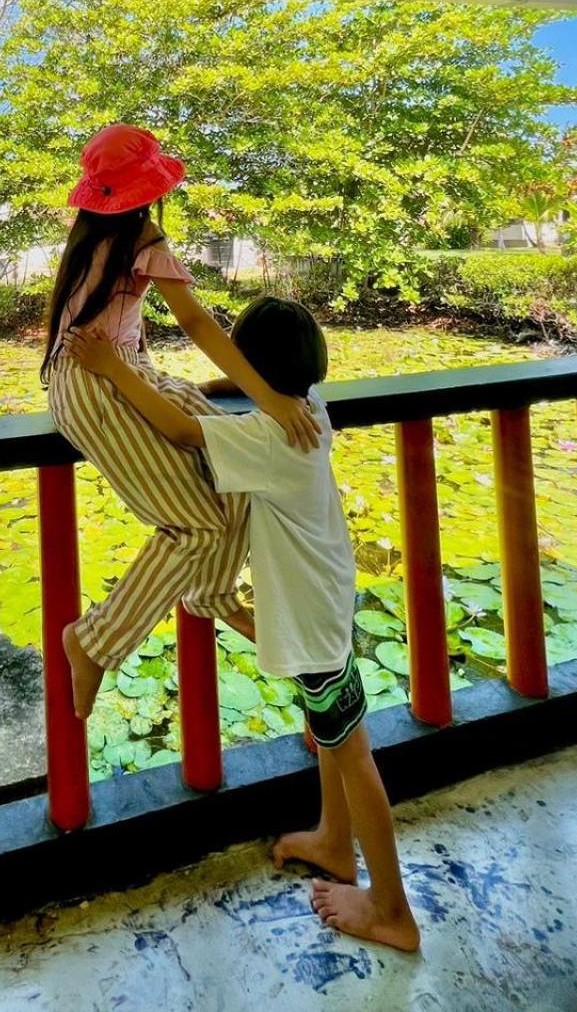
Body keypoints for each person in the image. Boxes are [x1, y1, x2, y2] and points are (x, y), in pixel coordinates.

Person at [71, 297, 420, 954]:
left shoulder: (266, 436)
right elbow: (239, 390)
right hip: (325, 593)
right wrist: (214, 384)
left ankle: (391, 910)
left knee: (352, 752)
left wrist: (113, 369)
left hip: (313, 617)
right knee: (331, 730)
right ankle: (332, 842)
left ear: (255, 370)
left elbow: (179, 433)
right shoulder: (307, 411)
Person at [44, 124, 320, 720]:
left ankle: (213, 592)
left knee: (242, 468)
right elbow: (196, 324)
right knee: (195, 525)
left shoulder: (94, 236)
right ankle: (91, 641)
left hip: (128, 369)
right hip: (94, 385)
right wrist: (269, 399)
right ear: (147, 192)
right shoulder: (142, 239)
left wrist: (246, 392)